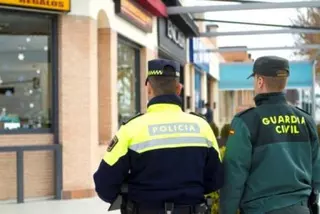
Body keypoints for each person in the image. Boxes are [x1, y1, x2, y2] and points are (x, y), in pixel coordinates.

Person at [93, 58, 223, 214]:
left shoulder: (131, 129)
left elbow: (104, 184)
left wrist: (131, 198)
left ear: (148, 89)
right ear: (179, 89)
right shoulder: (202, 127)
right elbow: (215, 180)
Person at [219, 56, 320, 214]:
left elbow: (234, 174)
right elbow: (316, 173)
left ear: (260, 81)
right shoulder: (306, 121)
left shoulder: (245, 121)